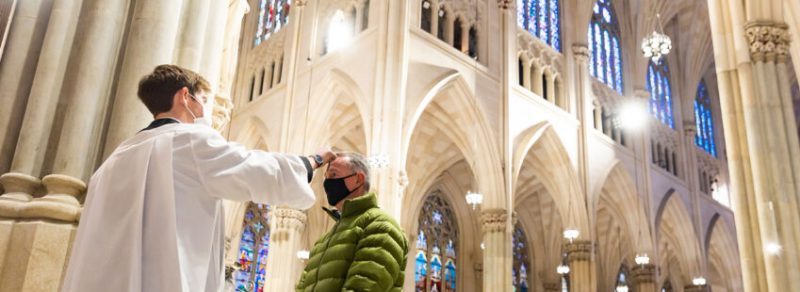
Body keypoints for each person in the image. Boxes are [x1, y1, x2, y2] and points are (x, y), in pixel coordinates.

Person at [61, 64, 335, 292]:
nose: (204, 111)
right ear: (184, 97)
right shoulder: (188, 141)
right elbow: (254, 168)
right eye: (202, 100)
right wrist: (312, 161)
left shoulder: (112, 161)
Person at [296, 153, 408, 292]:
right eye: (326, 177)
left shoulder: (381, 226)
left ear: (358, 179)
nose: (327, 183)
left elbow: (364, 286)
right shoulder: (323, 241)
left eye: (334, 174)